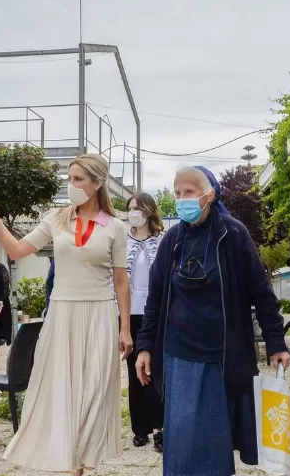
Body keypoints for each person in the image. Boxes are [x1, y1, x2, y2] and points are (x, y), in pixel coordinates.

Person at [0, 153, 132, 476]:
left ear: (97, 183)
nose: (71, 185)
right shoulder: (57, 219)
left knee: (94, 392)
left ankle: (83, 464)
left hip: (100, 314)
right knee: (62, 387)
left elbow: (121, 281)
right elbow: (17, 250)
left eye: (78, 179)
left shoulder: (116, 227)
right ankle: (71, 462)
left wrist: (125, 328)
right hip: (61, 314)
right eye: (69, 179)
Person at [135, 166, 290, 476]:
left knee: (215, 441)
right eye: (177, 193)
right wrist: (145, 347)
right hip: (179, 356)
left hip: (222, 355)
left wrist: (276, 341)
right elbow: (155, 300)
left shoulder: (233, 234)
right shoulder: (171, 241)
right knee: (180, 438)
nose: (181, 200)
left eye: (188, 193)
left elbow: (261, 292)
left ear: (209, 194)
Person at [125, 192, 165, 451]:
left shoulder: (163, 241)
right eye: (129, 208)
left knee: (157, 372)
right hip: (129, 314)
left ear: (149, 211)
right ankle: (140, 429)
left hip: (158, 314)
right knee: (133, 373)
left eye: (137, 208)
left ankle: (161, 427)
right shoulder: (122, 241)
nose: (132, 213)